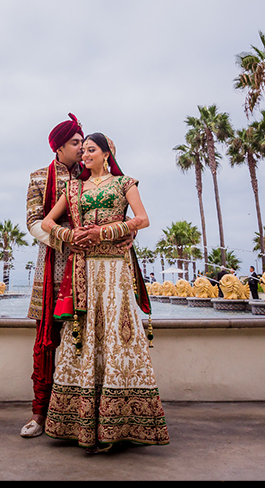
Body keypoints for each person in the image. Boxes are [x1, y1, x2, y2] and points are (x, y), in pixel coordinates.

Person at [41, 133, 169, 452]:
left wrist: (106, 231)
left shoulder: (125, 183)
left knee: (114, 336)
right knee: (85, 336)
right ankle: (81, 424)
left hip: (115, 270)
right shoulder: (74, 188)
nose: (85, 155)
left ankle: (116, 426)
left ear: (107, 153)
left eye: (91, 150)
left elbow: (143, 220)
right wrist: (69, 236)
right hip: (84, 270)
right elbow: (46, 223)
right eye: (82, 150)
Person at [20, 114, 85, 438]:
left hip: (87, 269)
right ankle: (39, 415)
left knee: (85, 342)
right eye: (75, 143)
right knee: (46, 343)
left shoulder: (92, 177)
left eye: (82, 142)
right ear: (59, 147)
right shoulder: (37, 178)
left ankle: (78, 416)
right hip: (52, 268)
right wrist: (65, 236)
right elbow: (33, 222)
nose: (81, 148)